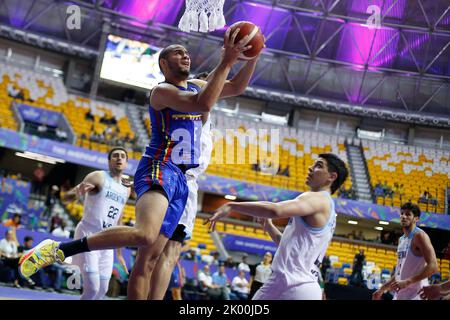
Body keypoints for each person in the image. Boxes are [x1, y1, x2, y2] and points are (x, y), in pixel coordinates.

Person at [19, 32, 258, 300]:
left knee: (150, 258)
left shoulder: (196, 84)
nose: (185, 55)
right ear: (164, 65)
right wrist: (226, 60)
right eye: (177, 52)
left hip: (181, 179)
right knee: (145, 235)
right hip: (160, 165)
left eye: (186, 52)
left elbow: (236, 87)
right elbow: (203, 103)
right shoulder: (162, 91)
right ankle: (61, 248)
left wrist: (252, 56)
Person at [207, 153, 349, 300]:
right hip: (294, 285)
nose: (310, 168)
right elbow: (288, 246)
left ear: (332, 177)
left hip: (293, 285)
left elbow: (275, 210)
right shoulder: (327, 207)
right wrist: (268, 226)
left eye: (318, 166)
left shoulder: (317, 198)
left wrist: (232, 206)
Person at [57, 147, 130, 300]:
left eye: (123, 156)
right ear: (109, 161)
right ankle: (60, 255)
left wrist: (119, 253)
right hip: (88, 234)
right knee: (92, 288)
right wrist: (76, 192)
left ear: (126, 163)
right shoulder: (98, 177)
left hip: (108, 240)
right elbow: (67, 198)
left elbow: (119, 219)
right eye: (115, 156)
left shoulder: (126, 188)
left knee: (102, 290)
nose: (119, 158)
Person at [372, 202, 438, 300]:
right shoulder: (401, 239)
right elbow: (400, 273)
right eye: (402, 213)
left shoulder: (419, 236)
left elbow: (433, 266)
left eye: (408, 214)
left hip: (416, 294)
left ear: (416, 219)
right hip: (401, 293)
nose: (403, 216)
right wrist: (382, 289)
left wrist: (407, 282)